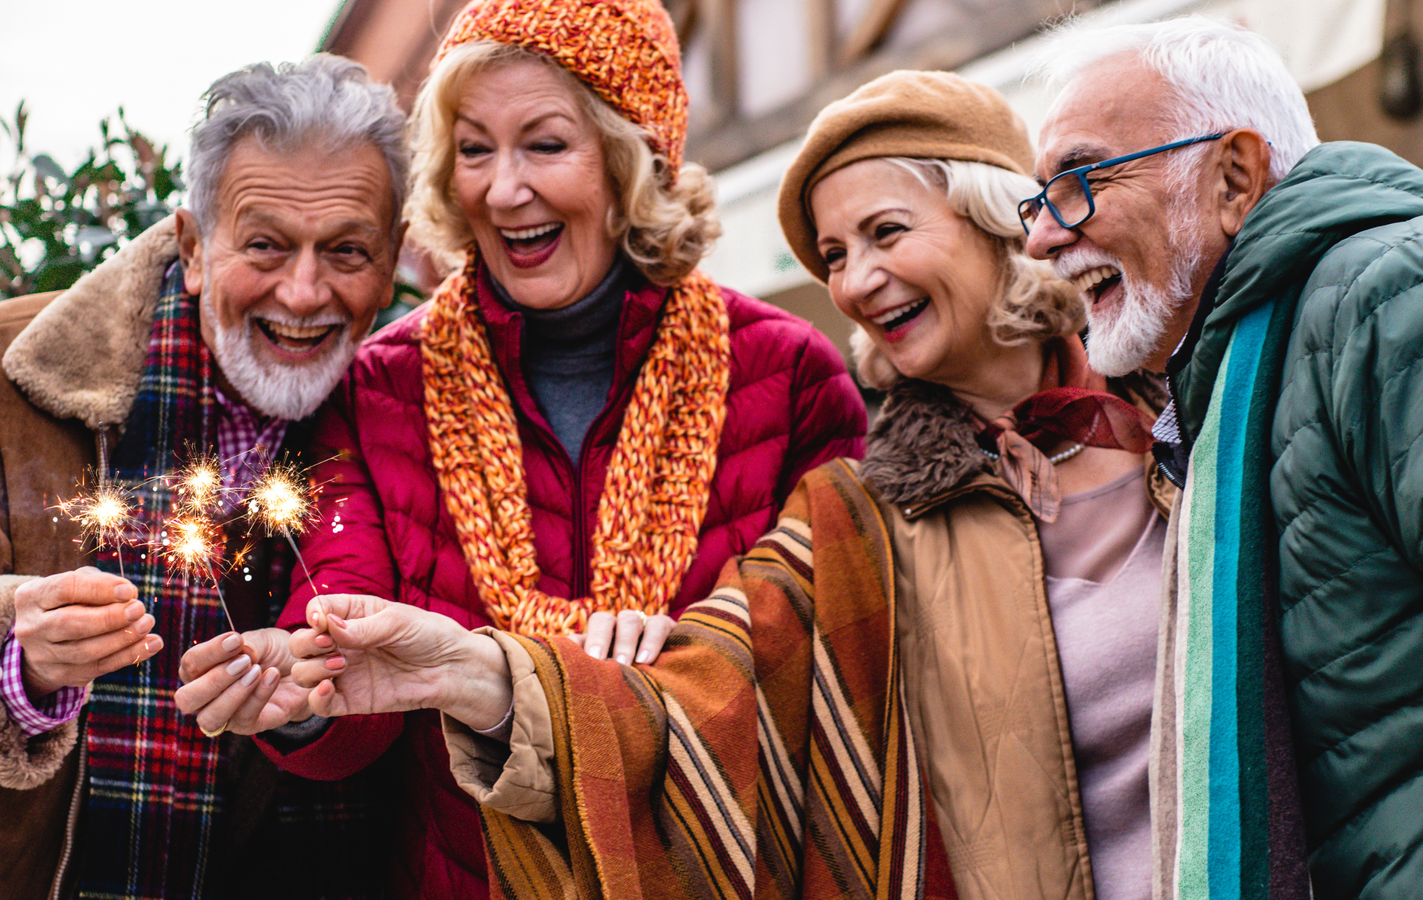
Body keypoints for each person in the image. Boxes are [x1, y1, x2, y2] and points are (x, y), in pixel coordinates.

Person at [281, 70, 1175, 900]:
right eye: (474, 148)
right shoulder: (866, 507)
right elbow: (750, 660)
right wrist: (343, 687)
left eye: (546, 144)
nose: (857, 280)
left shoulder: (1178, 425)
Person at [175, 0, 866, 895]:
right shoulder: (379, 389)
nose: (503, 190)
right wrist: (302, 699)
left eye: (544, 144)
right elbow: (348, 649)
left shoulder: (788, 374)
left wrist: (701, 652)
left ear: (634, 160)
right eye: (473, 149)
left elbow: (837, 654)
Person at [0, 56, 409, 899]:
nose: (304, 292)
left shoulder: (401, 418)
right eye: (264, 244)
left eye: (346, 251)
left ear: (390, 263)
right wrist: (8, 653)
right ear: (194, 246)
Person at [1020, 15, 1423, 900]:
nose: (1042, 238)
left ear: (1235, 178)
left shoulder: (1403, 290)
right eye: (1039, 199)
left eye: (1079, 181)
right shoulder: (1240, 379)